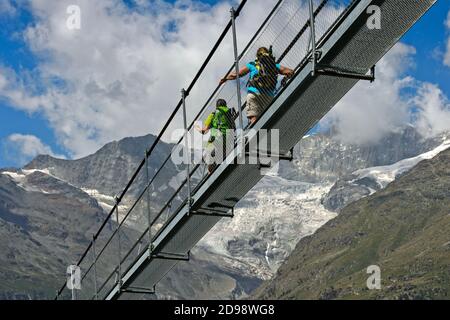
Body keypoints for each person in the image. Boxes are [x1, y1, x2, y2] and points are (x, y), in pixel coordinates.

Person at [220, 46, 294, 125]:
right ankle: (270, 135)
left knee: (254, 119)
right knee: (269, 121)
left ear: (257, 56)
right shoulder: (274, 65)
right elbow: (290, 72)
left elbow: (236, 74)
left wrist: (224, 78)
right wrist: (284, 79)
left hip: (254, 94)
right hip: (268, 96)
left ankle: (256, 133)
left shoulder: (252, 64)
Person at [195, 99, 237, 174]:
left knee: (206, 156)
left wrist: (197, 128)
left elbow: (204, 131)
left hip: (217, 140)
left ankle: (210, 173)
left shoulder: (213, 114)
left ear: (217, 106)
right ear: (225, 105)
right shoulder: (229, 112)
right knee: (223, 160)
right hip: (229, 140)